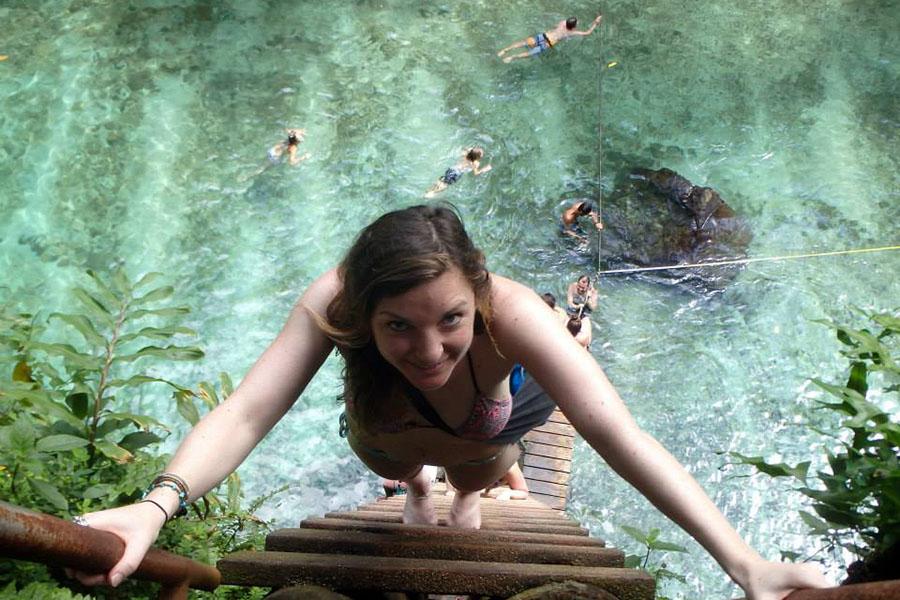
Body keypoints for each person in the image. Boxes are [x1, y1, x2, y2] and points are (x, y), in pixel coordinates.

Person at [70, 205, 827, 598]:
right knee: (397, 460)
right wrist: (155, 507)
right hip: (384, 431)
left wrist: (743, 563)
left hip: (486, 425)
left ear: (478, 291)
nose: (429, 349)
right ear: (365, 312)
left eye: (451, 320)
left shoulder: (516, 313)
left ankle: (461, 494)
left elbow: (618, 434)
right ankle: (416, 487)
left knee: (478, 470)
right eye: (398, 326)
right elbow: (247, 411)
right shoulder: (332, 302)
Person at [497, 15, 603, 63]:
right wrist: (596, 22)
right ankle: (512, 57)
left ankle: (505, 50)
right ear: (574, 27)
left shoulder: (562, 23)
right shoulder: (571, 32)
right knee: (530, 53)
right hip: (548, 43)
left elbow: (554, 26)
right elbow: (587, 33)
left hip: (544, 35)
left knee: (524, 43)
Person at [424, 147, 492, 198]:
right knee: (445, 185)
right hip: (457, 173)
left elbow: (463, 148)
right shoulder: (475, 163)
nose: (482, 155)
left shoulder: (465, 155)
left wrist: (469, 150)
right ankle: (432, 193)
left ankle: (430, 190)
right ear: (477, 157)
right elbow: (476, 173)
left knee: (443, 179)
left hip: (452, 168)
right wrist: (484, 169)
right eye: (481, 154)